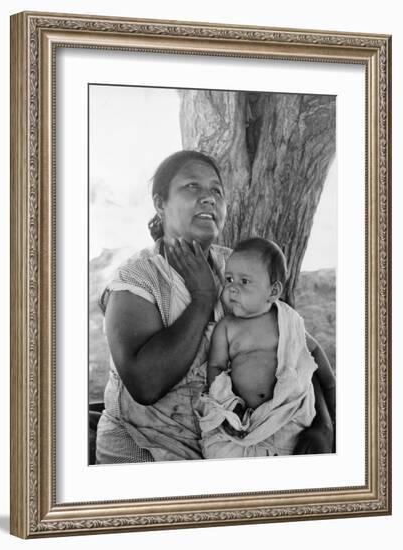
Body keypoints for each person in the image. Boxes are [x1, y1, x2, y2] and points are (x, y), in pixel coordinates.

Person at [95, 150, 334, 464]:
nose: (208, 198)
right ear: (160, 203)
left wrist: (323, 424)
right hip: (148, 448)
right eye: (192, 187)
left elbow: (293, 347)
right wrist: (202, 298)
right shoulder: (137, 279)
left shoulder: (236, 267)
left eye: (216, 191)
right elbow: (146, 385)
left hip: (238, 443)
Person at [198, 237, 336, 458]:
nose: (232, 288)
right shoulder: (227, 327)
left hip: (286, 415)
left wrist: (331, 392)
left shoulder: (286, 320)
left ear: (273, 292)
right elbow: (215, 368)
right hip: (241, 419)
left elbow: (314, 352)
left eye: (244, 282)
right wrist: (228, 405)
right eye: (229, 279)